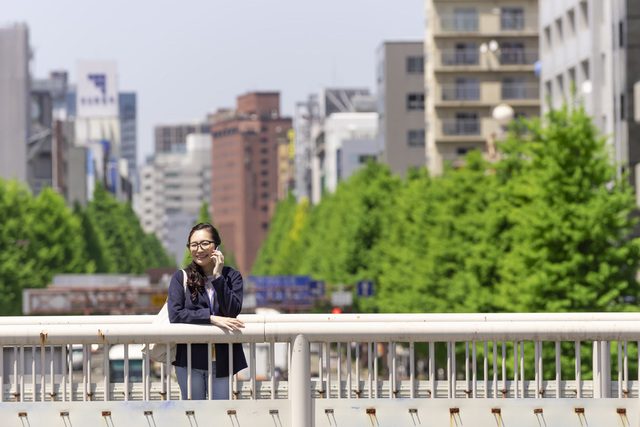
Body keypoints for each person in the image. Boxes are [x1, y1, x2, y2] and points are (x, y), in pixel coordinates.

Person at [168, 222, 247, 400]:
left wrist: (218, 277)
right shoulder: (180, 277)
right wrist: (211, 318)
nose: (199, 249)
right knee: (194, 414)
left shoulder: (232, 276)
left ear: (216, 246)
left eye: (205, 243)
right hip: (189, 358)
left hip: (223, 358)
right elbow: (175, 314)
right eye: (194, 245)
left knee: (220, 414)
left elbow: (232, 311)